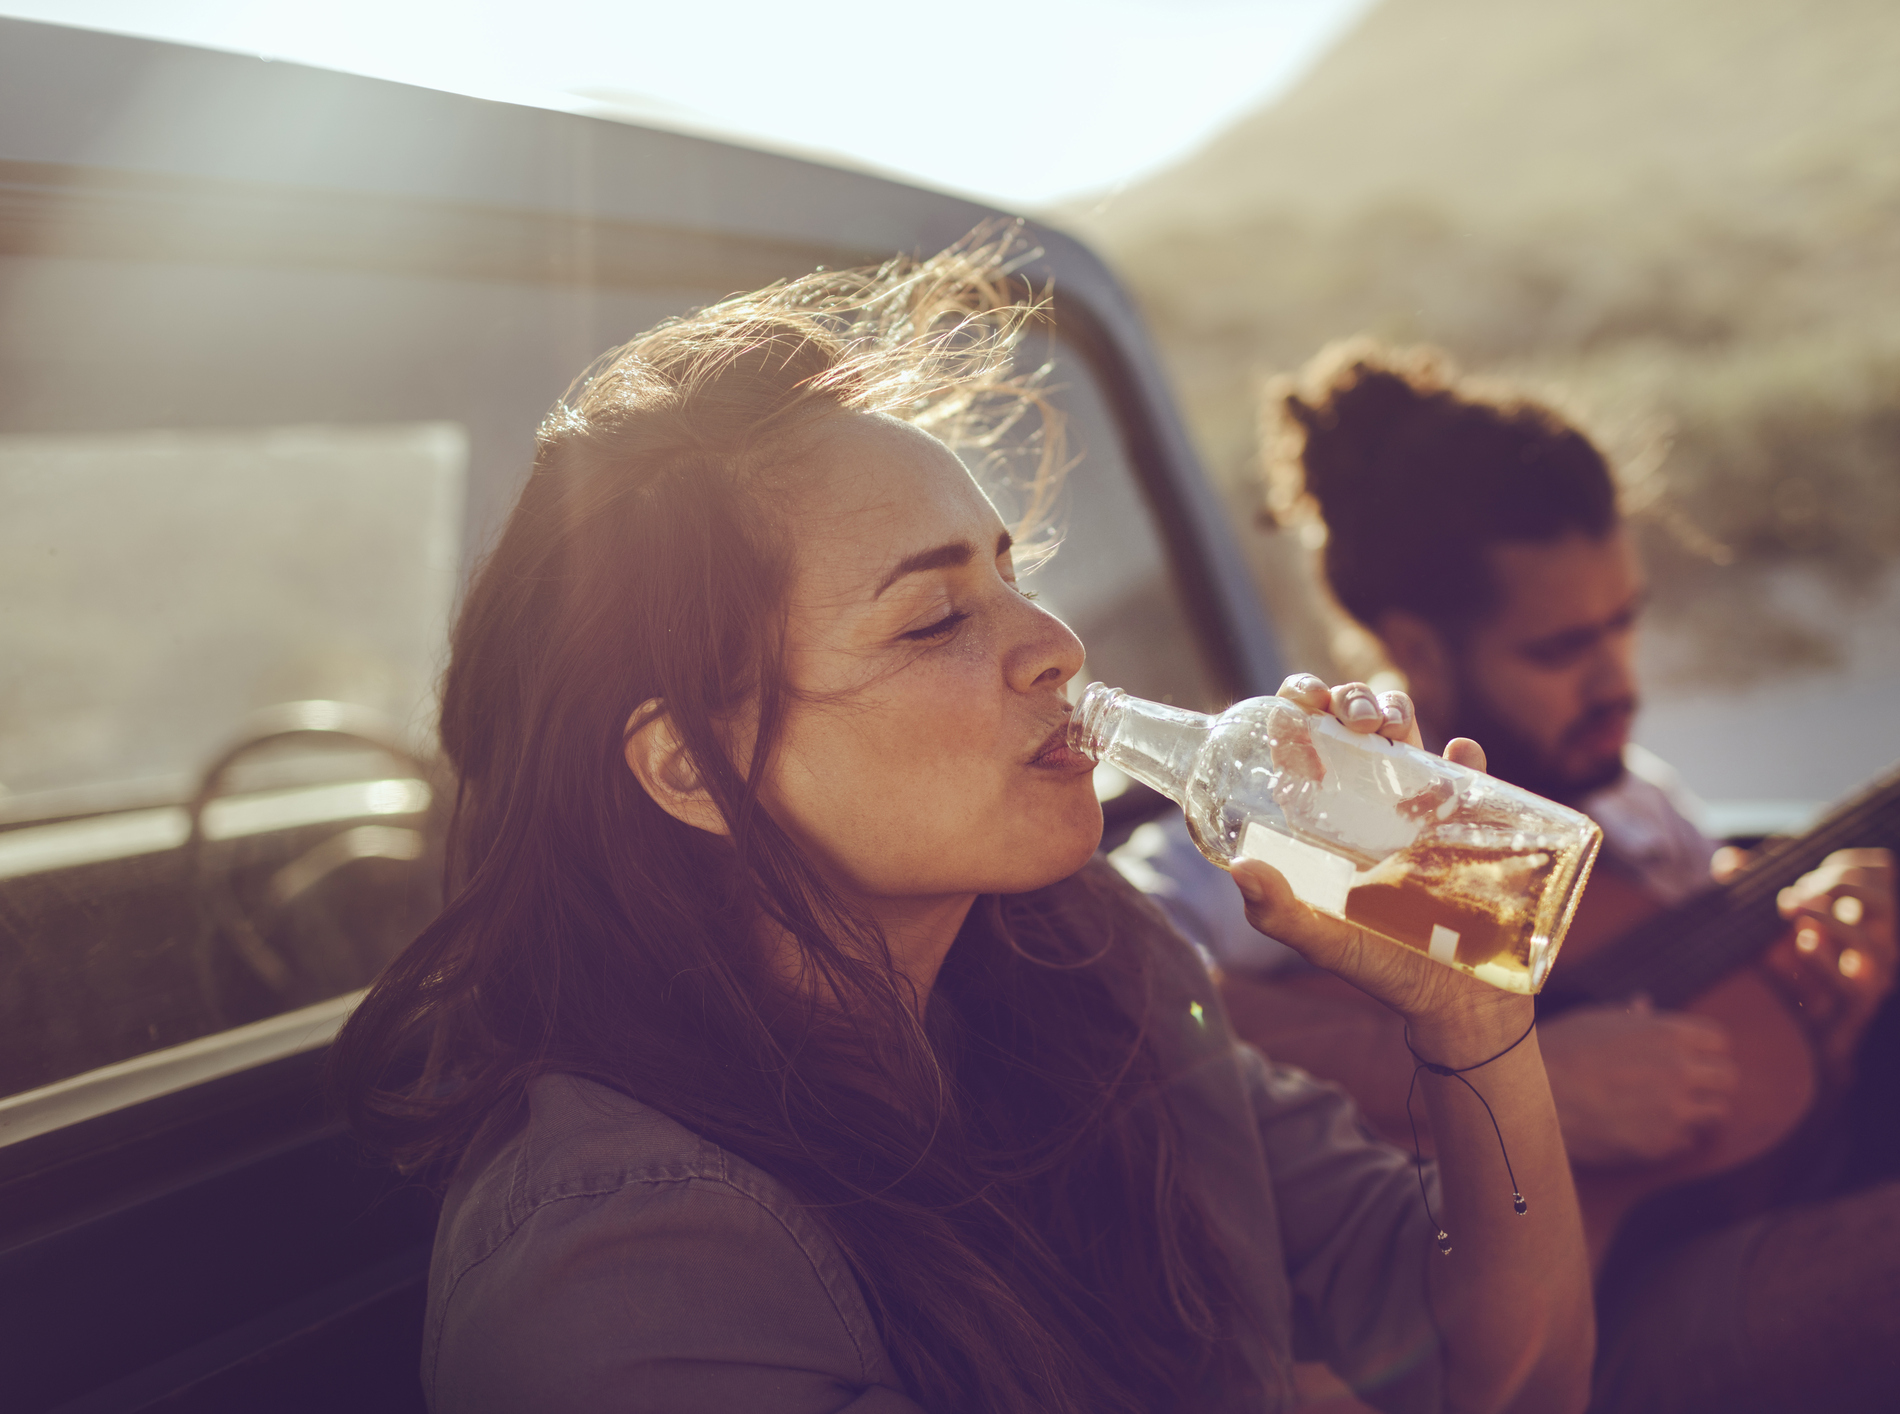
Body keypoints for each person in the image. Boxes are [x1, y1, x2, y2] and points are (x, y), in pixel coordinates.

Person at [327, 250, 1595, 1414]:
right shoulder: (629, 1266)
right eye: (934, 619)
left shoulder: (1101, 964)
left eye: (1011, 573)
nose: (1055, 646)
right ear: (690, 769)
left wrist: (1467, 1016)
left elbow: (1498, 1372)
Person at [1116, 341, 1900, 1413]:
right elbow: (1126, 1006)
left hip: (1641, 1269)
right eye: (1558, 649)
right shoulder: (1280, 813)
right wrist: (1521, 1075)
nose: (1617, 682)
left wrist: (1824, 1018)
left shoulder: (1651, 825)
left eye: (1625, 624)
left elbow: (1742, 1163)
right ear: (1421, 645)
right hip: (1430, 1333)